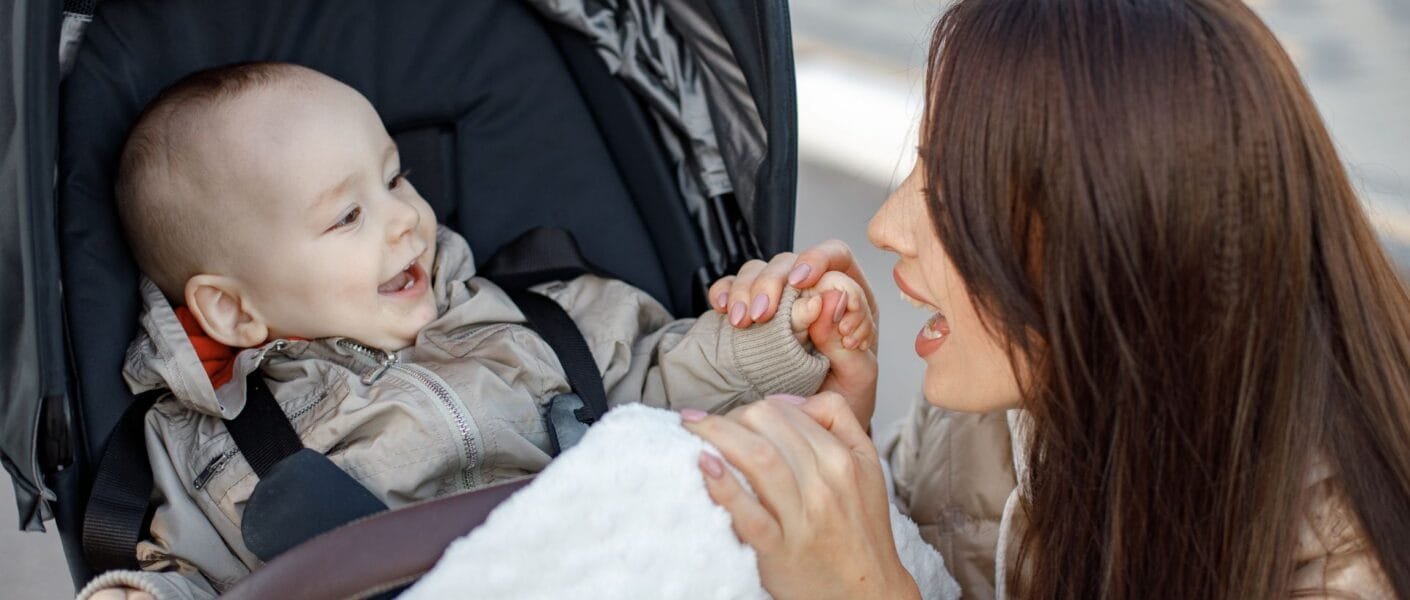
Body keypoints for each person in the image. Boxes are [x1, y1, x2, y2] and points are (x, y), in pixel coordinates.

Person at [687, 0, 1410, 598]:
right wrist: (846, 450)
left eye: (950, 193)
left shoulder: (1343, 567)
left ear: (1114, 248)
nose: (884, 228)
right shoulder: (991, 407)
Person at [84, 62, 876, 599]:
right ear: (233, 309)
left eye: (395, 177)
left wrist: (783, 339)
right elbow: (189, 570)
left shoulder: (534, 324)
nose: (405, 220)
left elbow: (658, 380)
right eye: (349, 216)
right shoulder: (215, 450)